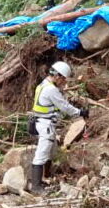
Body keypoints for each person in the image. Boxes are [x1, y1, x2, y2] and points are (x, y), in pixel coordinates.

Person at [28, 61, 87, 194]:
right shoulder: (51, 89)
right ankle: (36, 187)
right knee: (42, 154)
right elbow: (64, 106)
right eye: (63, 79)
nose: (64, 82)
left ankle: (44, 178)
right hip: (45, 125)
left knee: (50, 151)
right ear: (57, 76)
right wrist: (80, 112)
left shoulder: (43, 84)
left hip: (43, 123)